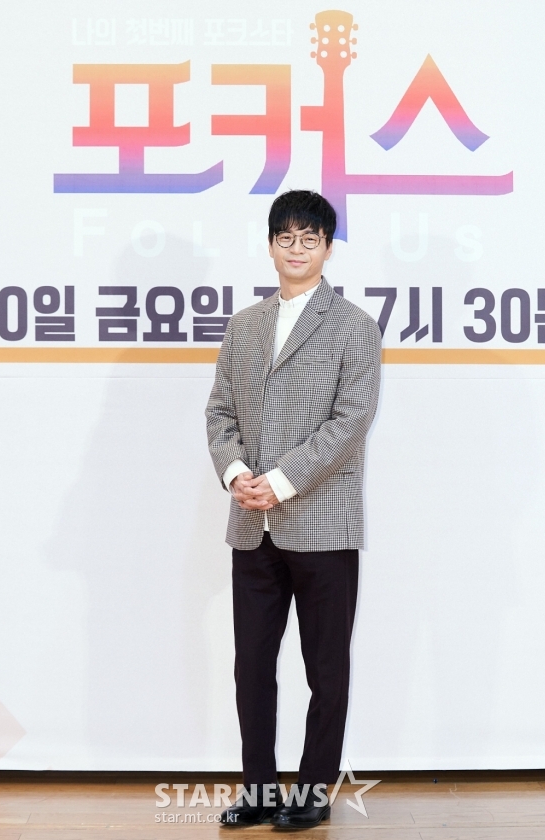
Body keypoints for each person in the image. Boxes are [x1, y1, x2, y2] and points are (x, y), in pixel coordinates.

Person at [205, 190, 382, 830]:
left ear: (327, 248)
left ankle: (312, 791)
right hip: (251, 525)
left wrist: (279, 482)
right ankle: (258, 790)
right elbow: (219, 412)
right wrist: (236, 476)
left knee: (325, 670)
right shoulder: (243, 325)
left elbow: (350, 423)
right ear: (271, 245)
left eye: (310, 238)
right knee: (251, 666)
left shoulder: (354, 325)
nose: (297, 248)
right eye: (287, 237)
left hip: (323, 524)